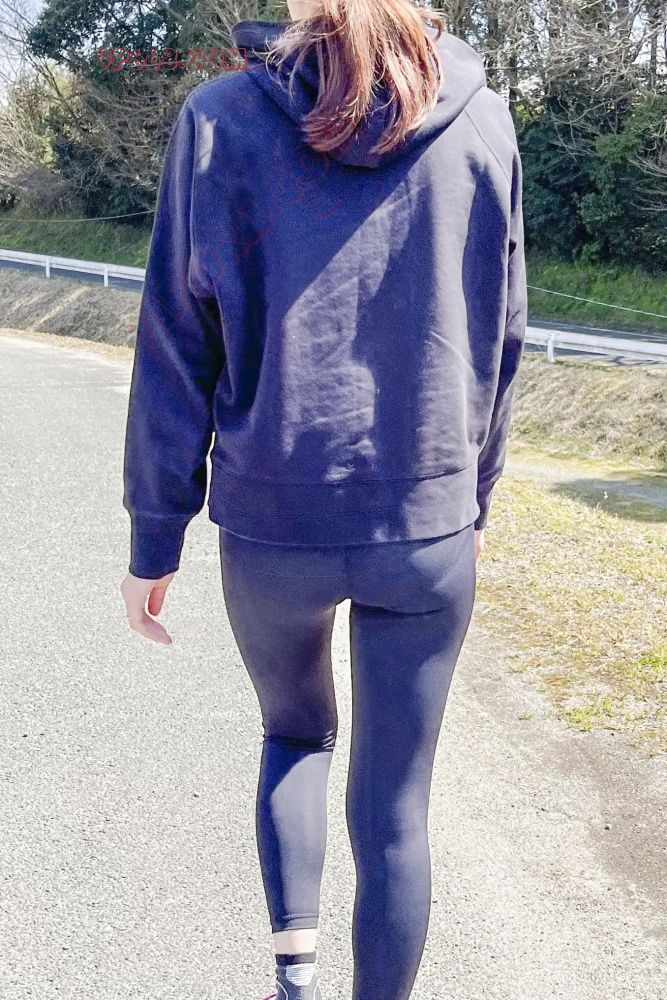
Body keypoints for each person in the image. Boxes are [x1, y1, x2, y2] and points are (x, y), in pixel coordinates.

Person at [119, 0, 527, 997]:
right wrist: (472, 494)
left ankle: (294, 979)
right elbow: (501, 329)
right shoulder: (480, 118)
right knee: (395, 810)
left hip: (273, 526)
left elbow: (175, 337)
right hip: (423, 526)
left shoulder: (220, 119)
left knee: (295, 733)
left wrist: (154, 536)